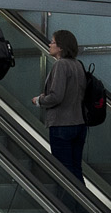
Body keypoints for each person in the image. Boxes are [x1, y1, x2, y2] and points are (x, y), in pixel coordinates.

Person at [33, 28, 88, 179]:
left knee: (64, 173)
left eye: (53, 42)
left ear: (61, 47)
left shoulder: (61, 65)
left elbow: (56, 96)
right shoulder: (78, 65)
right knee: (76, 169)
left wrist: (39, 100)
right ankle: (81, 202)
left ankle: (68, 203)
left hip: (62, 124)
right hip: (79, 123)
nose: (50, 44)